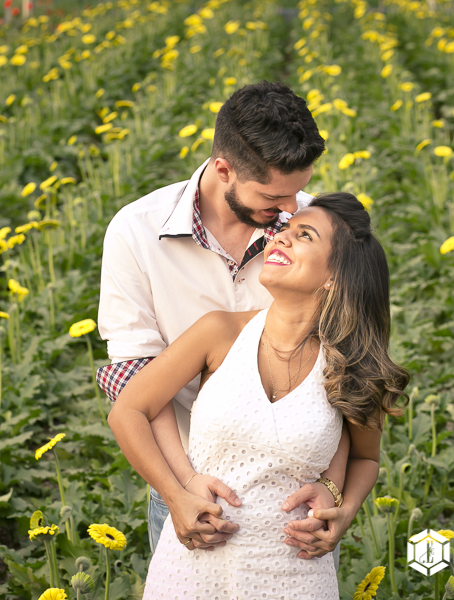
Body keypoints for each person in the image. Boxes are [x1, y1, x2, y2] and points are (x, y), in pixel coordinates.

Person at [97, 81, 364, 564]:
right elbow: (136, 382)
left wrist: (333, 488)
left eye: (297, 192)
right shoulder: (136, 232)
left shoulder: (313, 231)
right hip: (192, 483)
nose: (288, 210)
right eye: (272, 195)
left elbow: (341, 371)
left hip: (295, 498)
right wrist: (181, 487)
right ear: (224, 169)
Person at [108, 192, 409, 597]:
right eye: (283, 229)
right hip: (194, 568)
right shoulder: (220, 332)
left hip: (296, 574)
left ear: (334, 275)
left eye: (304, 235)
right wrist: (176, 494)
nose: (279, 238)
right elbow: (127, 410)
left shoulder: (350, 364)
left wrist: (343, 504)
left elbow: (364, 457)